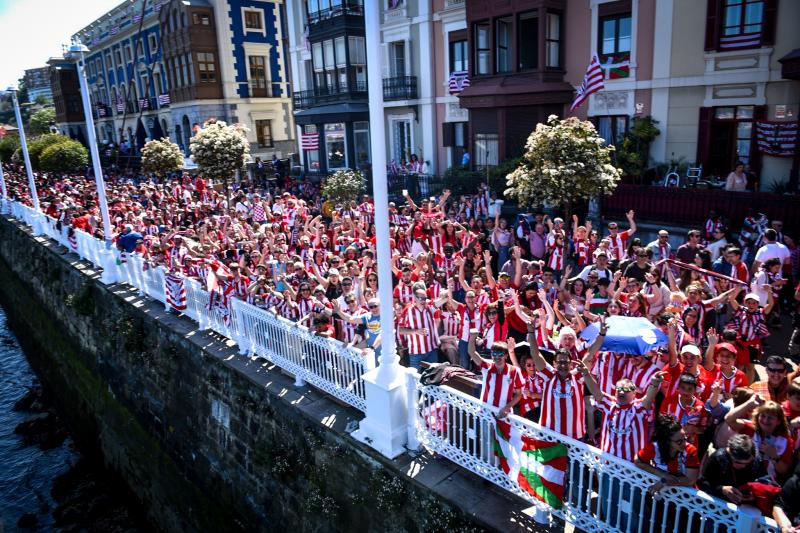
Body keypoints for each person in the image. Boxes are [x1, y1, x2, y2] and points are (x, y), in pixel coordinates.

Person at [697, 433, 766, 504]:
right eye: (738, 462)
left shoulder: (756, 461)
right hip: (719, 504)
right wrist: (722, 489)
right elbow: (703, 483)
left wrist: (756, 494)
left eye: (747, 463)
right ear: (729, 453)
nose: (743, 466)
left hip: (746, 508)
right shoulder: (718, 458)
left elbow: (765, 483)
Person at [467, 332, 523, 416]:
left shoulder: (514, 371)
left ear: (506, 356)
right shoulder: (486, 366)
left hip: (504, 414)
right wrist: (472, 337)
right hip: (485, 413)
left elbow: (519, 394)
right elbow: (472, 352)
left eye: (500, 354)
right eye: (494, 354)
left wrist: (507, 407)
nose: (497, 357)